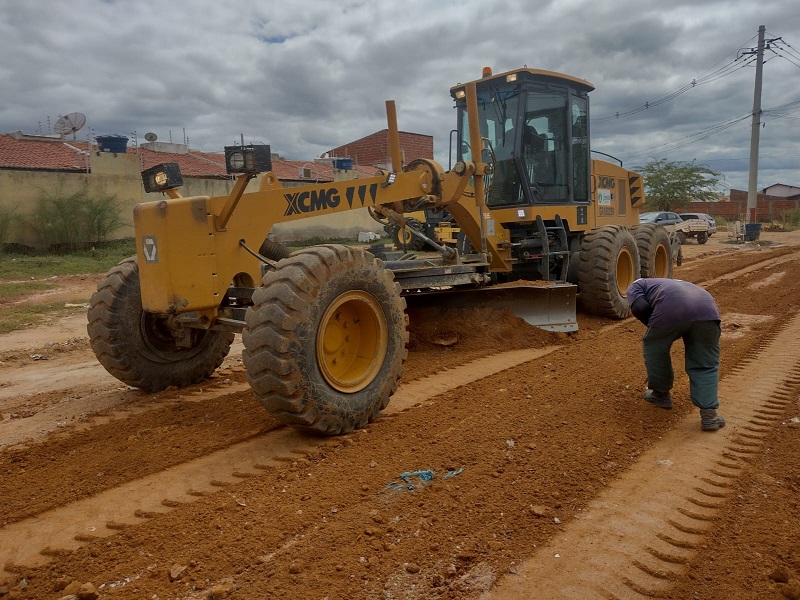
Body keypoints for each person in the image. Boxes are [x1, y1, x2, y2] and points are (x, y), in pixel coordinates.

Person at [626, 278, 726, 432]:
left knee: (655, 347)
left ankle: (660, 395)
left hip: (672, 308)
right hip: (708, 311)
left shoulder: (636, 285)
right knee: (705, 363)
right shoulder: (670, 283)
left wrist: (657, 328)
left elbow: (640, 307)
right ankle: (709, 415)